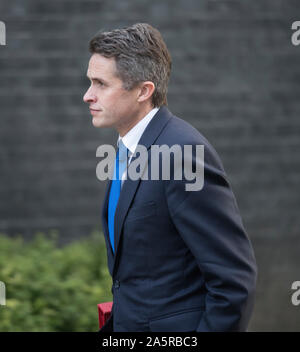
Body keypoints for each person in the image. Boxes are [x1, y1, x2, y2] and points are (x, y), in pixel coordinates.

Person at [83, 23, 257, 332]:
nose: (87, 96)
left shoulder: (182, 153)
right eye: (89, 82)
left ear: (143, 91)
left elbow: (233, 283)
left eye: (100, 84)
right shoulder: (127, 149)